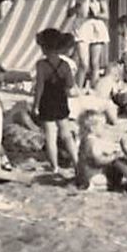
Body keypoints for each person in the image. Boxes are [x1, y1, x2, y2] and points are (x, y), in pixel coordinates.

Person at [31, 27, 81, 174]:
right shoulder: (65, 65)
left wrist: (36, 106)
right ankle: (76, 163)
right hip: (61, 101)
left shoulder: (41, 65)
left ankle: (54, 167)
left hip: (47, 101)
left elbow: (39, 87)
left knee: (50, 136)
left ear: (44, 47)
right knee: (66, 134)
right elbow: (70, 85)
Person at [67, 0, 109, 89]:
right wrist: (77, 7)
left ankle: (95, 90)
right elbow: (69, 13)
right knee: (83, 63)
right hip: (82, 28)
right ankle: (78, 89)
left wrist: (96, 14)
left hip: (96, 28)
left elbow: (106, 15)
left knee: (95, 63)